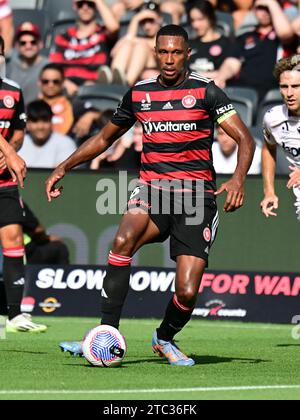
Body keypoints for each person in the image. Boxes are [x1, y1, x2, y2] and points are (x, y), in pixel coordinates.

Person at [46, 25, 255, 365]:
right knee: (122, 241)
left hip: (195, 199)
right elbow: (103, 139)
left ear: (187, 53)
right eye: (163, 52)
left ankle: (164, 337)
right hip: (153, 190)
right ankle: (105, 335)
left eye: (176, 52)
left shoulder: (206, 92)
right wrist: (63, 167)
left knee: (187, 291)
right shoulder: (139, 94)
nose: (169, 59)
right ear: (155, 53)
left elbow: (246, 139)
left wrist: (238, 180)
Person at [0, 36, 47, 333]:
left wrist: (10, 153)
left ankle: (15, 315)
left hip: (3, 181)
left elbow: (18, 129)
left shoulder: (12, 91)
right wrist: (8, 152)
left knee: (14, 239)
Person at [214, 0, 295, 101]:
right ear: (253, 10)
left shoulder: (282, 35)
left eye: (268, 8)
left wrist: (271, 3)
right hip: (243, 89)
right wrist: (221, 77)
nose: (264, 12)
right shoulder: (245, 36)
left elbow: (285, 34)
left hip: (273, 91)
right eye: (260, 8)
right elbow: (231, 63)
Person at [49, 0, 119, 96]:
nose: (85, 8)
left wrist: (98, 1)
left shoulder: (102, 34)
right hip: (65, 87)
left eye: (90, 4)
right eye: (80, 4)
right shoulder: (63, 36)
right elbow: (53, 67)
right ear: (75, 6)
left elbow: (114, 27)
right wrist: (65, 82)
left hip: (93, 87)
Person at [261, 54, 300, 221]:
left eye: (296, 86)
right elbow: (268, 148)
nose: (289, 93)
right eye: (284, 87)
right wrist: (269, 190)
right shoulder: (273, 118)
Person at [106, 2, 162, 86]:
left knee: (140, 47)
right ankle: (115, 79)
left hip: (153, 72)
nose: (147, 26)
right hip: (135, 74)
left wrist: (135, 41)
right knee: (127, 45)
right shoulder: (137, 40)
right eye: (143, 22)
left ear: (159, 20)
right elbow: (114, 52)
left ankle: (126, 82)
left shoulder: (164, 38)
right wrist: (135, 19)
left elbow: (157, 49)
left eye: (151, 21)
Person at [19, 100, 76, 169]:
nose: (40, 127)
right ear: (27, 124)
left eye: (45, 121)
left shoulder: (65, 142)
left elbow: (63, 172)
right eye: (35, 121)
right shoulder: (19, 143)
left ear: (51, 121)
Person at [187, 0, 233, 77]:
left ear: (210, 17)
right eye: (192, 20)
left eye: (200, 19)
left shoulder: (225, 43)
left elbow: (228, 70)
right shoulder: (188, 45)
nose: (195, 25)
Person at [7, 22, 48, 105]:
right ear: (17, 46)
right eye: (23, 43)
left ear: (40, 44)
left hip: (36, 114)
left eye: (33, 42)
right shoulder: (8, 64)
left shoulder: (48, 66)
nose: (28, 46)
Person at [38, 63, 74, 136]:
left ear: (63, 83)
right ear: (39, 82)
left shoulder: (73, 104)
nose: (50, 85)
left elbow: (98, 114)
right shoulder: (30, 107)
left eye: (56, 81)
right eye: (46, 81)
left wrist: (89, 116)